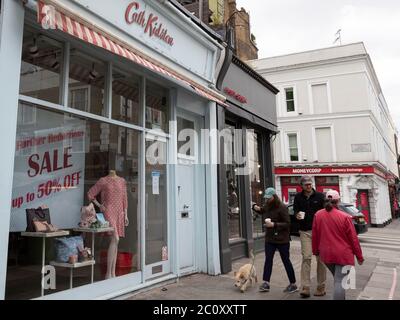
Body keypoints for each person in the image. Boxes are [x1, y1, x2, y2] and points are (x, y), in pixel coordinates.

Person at [312, 190, 364, 300]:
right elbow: (353, 239)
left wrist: (315, 251)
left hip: (326, 255)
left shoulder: (318, 215)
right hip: (343, 255)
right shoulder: (345, 217)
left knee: (338, 280)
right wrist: (359, 257)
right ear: (338, 201)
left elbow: (315, 235)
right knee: (339, 282)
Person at [253, 187, 298, 294]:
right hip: (270, 238)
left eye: (269, 198)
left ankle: (293, 284)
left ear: (274, 196)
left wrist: (274, 224)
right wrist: (254, 207)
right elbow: (262, 210)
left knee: (286, 261)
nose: (267, 200)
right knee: (268, 260)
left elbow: (288, 224)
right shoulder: (268, 205)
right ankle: (266, 283)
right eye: (266, 198)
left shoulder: (282, 207)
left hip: (282, 239)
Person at [87, 169, 129, 279]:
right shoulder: (103, 180)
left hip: (119, 212)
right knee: (116, 238)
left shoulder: (122, 181)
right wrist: (99, 205)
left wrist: (126, 215)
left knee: (115, 241)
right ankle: (108, 274)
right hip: (108, 210)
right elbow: (90, 194)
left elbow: (125, 199)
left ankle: (113, 273)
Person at [293, 176, 326, 298]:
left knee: (321, 259)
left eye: (310, 184)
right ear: (301, 185)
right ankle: (305, 287)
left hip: (319, 232)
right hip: (304, 231)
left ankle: (321, 286)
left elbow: (326, 212)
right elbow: (296, 211)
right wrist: (297, 215)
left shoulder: (320, 196)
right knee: (306, 257)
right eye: (306, 184)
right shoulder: (297, 197)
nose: (308, 186)